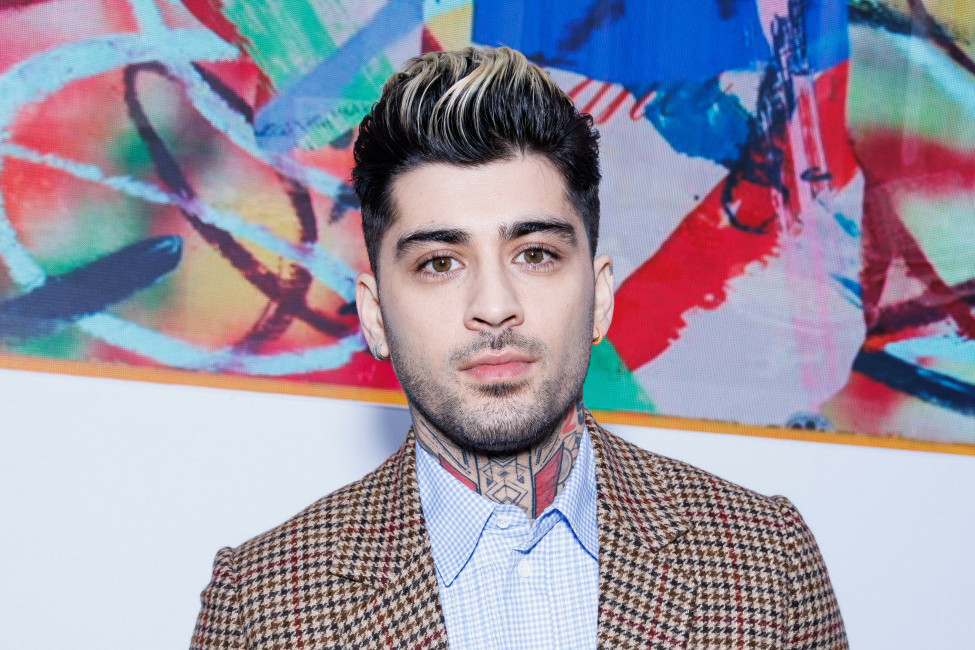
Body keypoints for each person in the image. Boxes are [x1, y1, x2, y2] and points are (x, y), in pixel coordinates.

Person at [191, 46, 846, 649]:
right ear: (375, 315)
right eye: (439, 263)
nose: (494, 304)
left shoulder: (767, 566)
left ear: (598, 295)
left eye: (534, 254)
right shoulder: (260, 608)